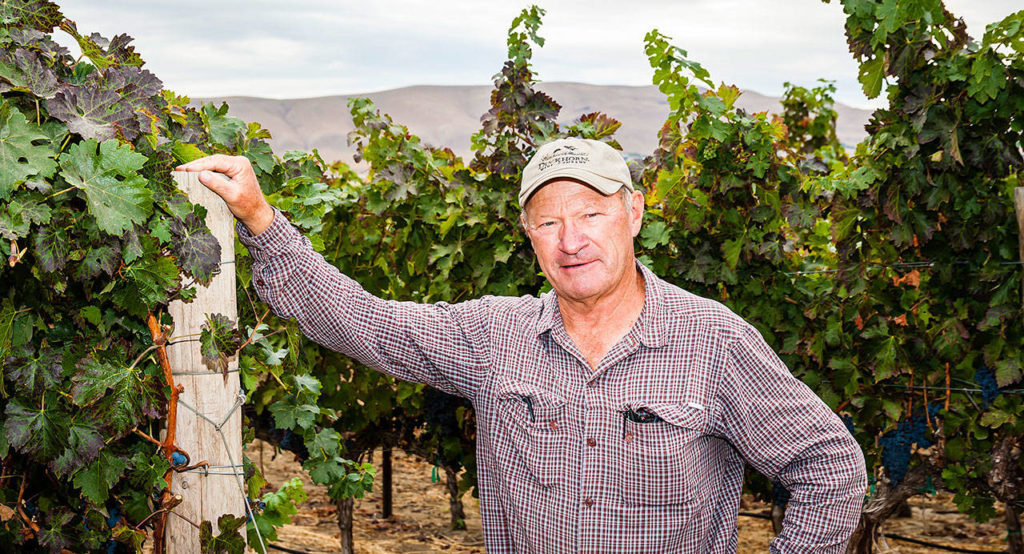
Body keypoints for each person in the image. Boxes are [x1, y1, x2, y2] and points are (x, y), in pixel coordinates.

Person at [177, 137, 866, 553]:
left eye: (592, 213)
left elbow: (830, 466)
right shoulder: (494, 336)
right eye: (549, 222)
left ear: (632, 213)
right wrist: (262, 221)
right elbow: (365, 322)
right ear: (528, 236)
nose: (572, 240)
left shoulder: (713, 342)